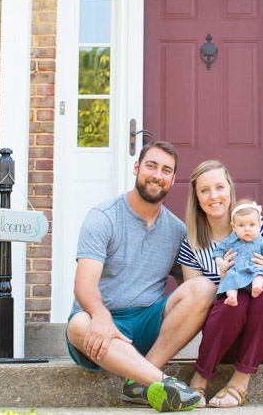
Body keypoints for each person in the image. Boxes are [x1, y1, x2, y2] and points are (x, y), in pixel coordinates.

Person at [66, 141, 215, 413]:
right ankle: (163, 382)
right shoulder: (103, 217)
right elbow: (84, 283)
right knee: (77, 323)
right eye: (151, 166)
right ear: (136, 168)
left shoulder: (177, 230)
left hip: (148, 325)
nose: (158, 175)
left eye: (166, 170)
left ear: (172, 179)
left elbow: (192, 293)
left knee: (204, 288)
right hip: (103, 329)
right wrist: (100, 316)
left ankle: (136, 381)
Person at [177, 161, 263, 408]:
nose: (214, 196)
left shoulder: (261, 227)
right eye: (205, 190)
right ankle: (201, 377)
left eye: (219, 187)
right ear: (196, 198)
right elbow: (197, 308)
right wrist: (227, 277)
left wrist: (260, 277)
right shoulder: (192, 245)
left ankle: (240, 382)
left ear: (230, 190)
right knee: (231, 297)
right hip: (230, 342)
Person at [212, 199, 263, 306]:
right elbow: (217, 253)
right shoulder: (229, 241)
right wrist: (221, 263)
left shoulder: (262, 242)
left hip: (254, 270)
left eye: (252, 225)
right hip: (236, 272)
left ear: (259, 225)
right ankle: (232, 297)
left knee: (260, 275)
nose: (247, 229)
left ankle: (256, 288)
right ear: (234, 227)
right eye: (241, 225)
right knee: (229, 280)